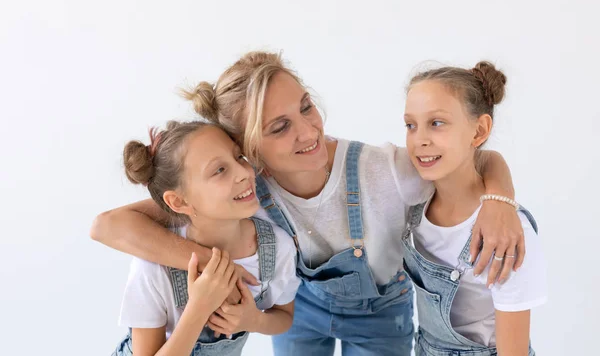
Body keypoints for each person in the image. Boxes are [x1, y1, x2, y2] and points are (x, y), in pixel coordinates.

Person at [92, 51, 526, 355]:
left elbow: (474, 154)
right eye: (280, 127)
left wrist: (500, 197)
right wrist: (208, 263)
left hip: (381, 315)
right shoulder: (245, 192)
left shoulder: (384, 170)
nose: (308, 130)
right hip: (301, 313)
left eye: (305, 107)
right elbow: (108, 226)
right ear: (247, 150)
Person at [111, 121, 300, 355]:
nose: (244, 173)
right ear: (179, 202)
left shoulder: (276, 247)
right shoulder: (153, 270)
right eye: (219, 170)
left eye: (239, 157)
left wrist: (254, 321)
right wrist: (199, 308)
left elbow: (284, 316)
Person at [402, 62, 547, 355]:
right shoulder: (412, 194)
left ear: (479, 131)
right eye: (410, 125)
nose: (420, 139)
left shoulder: (507, 234)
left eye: (437, 122)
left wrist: (500, 200)